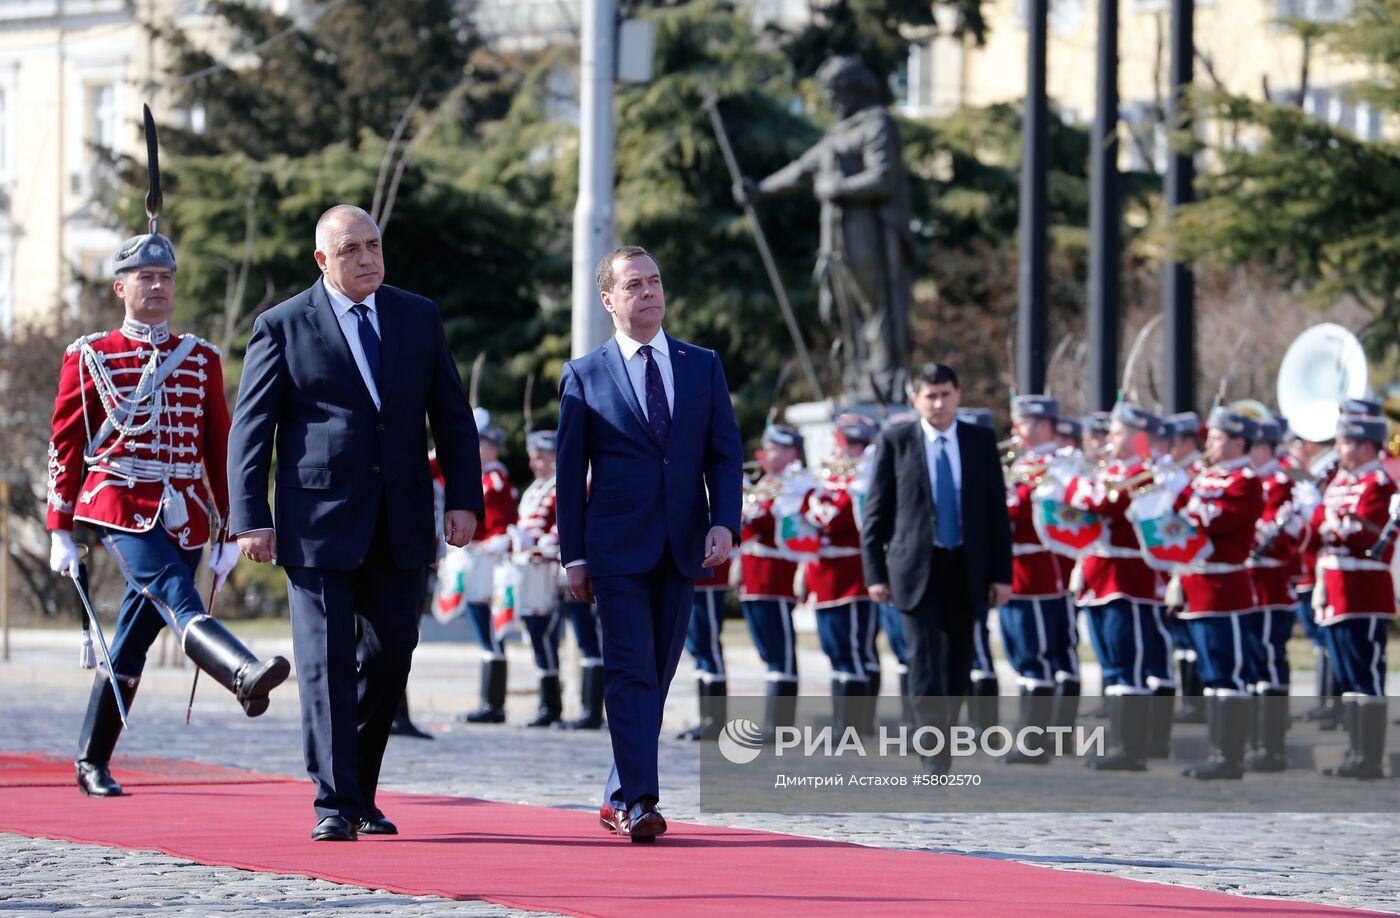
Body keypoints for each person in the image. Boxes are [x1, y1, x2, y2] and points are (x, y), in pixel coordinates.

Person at [227, 204, 483, 841]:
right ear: (322, 260)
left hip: (400, 519)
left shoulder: (417, 316)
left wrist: (464, 498)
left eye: (374, 246)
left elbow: (451, 415)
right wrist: (250, 517)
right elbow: (251, 430)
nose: (368, 258)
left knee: (393, 653)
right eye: (351, 250)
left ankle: (360, 790)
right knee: (325, 663)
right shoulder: (282, 325)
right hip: (316, 523)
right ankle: (334, 802)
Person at [47, 227, 289, 799]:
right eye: (146, 278)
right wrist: (58, 528)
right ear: (120, 287)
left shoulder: (200, 358)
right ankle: (242, 673)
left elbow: (219, 446)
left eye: (166, 278)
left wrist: (233, 525)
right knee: (177, 595)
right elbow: (64, 446)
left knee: (132, 640)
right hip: (119, 505)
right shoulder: (89, 357)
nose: (158, 287)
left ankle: (90, 761)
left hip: (185, 516)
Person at [556, 245, 743, 843]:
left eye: (655, 281)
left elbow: (724, 452)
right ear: (609, 300)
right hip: (615, 550)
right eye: (634, 285)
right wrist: (574, 555)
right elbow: (567, 474)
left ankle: (617, 794)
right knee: (629, 672)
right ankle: (639, 801)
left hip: (684, 543)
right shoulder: (585, 375)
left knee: (657, 674)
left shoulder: (701, 365)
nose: (649, 292)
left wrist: (726, 521)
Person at [861, 363, 1013, 773]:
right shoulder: (897, 440)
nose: (938, 403)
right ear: (915, 400)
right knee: (924, 658)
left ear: (958, 395)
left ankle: (943, 726)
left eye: (945, 394)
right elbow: (876, 512)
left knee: (960, 660)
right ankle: (933, 745)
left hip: (967, 564)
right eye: (930, 396)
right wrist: (875, 573)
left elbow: (997, 514)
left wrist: (1002, 574)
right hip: (915, 567)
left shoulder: (979, 441)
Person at [736, 56, 913, 401]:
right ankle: (858, 376)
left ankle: (884, 379)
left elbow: (885, 178)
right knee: (842, 307)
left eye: (833, 91)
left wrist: (838, 188)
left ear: (852, 90)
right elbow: (803, 169)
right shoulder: (840, 133)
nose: (829, 100)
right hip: (836, 234)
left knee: (873, 304)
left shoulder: (877, 125)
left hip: (870, 232)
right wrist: (761, 189)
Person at [1063, 402, 1173, 770]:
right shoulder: (1110, 470)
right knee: (1111, 666)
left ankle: (1133, 749)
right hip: (1099, 577)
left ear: (1138, 435)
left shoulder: (1145, 472)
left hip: (1128, 580)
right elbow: (1078, 499)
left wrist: (1085, 490)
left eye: (1118, 431)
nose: (1109, 437)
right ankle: (1120, 745)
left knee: (1131, 663)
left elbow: (1104, 504)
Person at [1174, 408, 1266, 781]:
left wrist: (1192, 507)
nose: (1208, 445)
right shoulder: (1203, 476)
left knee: (1228, 672)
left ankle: (1230, 757)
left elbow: (1219, 520)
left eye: (1215, 438)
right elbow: (1176, 509)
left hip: (1225, 586)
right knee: (1211, 674)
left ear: (1237, 442)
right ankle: (1217, 751)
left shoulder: (1246, 480)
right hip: (1198, 584)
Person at [1307, 413, 1395, 779]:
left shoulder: (1378, 482)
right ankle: (1355, 753)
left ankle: (1369, 757)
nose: (1338, 450)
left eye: (1344, 442)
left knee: (1365, 673)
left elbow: (1366, 536)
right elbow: (1315, 529)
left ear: (1364, 445)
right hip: (1335, 588)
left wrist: (1334, 523)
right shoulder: (1339, 481)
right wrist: (1322, 518)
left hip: (1363, 590)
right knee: (1346, 673)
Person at [1001, 396, 1080, 764]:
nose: (1018, 429)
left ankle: (1037, 742)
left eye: (1026, 422)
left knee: (1040, 656)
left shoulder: (1059, 463)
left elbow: (1024, 511)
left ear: (1045, 425)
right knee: (1022, 656)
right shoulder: (1022, 464)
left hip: (1040, 572)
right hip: (1014, 571)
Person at [802, 414, 881, 733]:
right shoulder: (833, 482)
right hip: (826, 576)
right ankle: (844, 722)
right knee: (836, 651)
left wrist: (814, 507)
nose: (835, 455)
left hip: (851, 576)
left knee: (852, 650)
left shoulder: (863, 480)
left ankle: (853, 725)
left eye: (840, 447)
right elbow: (810, 508)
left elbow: (833, 519)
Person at [1244, 418, 1303, 771]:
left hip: (1269, 587)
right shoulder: (1253, 481)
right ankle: (1256, 741)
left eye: (1251, 446)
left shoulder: (1279, 483)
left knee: (1268, 663)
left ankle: (1271, 747)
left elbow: (1271, 535)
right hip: (1248, 584)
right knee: (1252, 665)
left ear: (1266, 448)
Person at [739, 426, 807, 734]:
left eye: (775, 448)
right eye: (766, 448)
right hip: (754, 578)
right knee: (767, 651)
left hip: (775, 576)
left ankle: (780, 724)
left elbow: (772, 523)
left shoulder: (795, 481)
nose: (767, 454)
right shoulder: (767, 482)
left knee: (781, 650)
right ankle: (771, 722)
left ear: (792, 451)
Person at [458, 422, 518, 724]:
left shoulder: (494, 481)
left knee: (490, 632)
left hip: (489, 562)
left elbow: (500, 526)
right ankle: (489, 700)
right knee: (483, 631)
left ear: (493, 448)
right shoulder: (484, 477)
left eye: (482, 445)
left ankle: (493, 702)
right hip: (476, 560)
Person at [514, 429, 566, 727]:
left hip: (549, 570)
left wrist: (550, 539)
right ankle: (546, 702)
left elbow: (564, 523)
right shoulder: (535, 489)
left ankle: (552, 705)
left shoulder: (560, 487)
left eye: (541, 457)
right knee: (535, 633)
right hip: (530, 569)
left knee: (545, 634)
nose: (535, 464)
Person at [677, 557, 732, 741]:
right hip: (689, 572)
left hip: (708, 573)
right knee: (698, 649)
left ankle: (716, 721)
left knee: (709, 647)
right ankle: (705, 718)